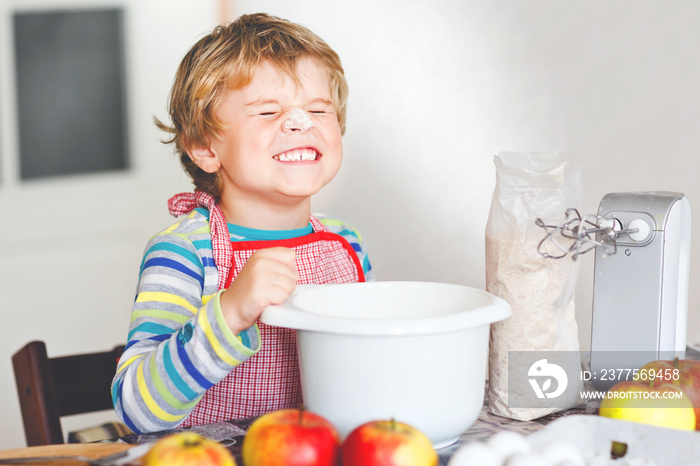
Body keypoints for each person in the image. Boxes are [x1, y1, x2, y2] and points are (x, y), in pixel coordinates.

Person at [112, 13, 373, 434]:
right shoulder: (184, 252)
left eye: (318, 108)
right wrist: (230, 310)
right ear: (204, 148)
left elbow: (366, 375)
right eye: (268, 111)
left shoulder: (347, 245)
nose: (299, 122)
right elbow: (135, 408)